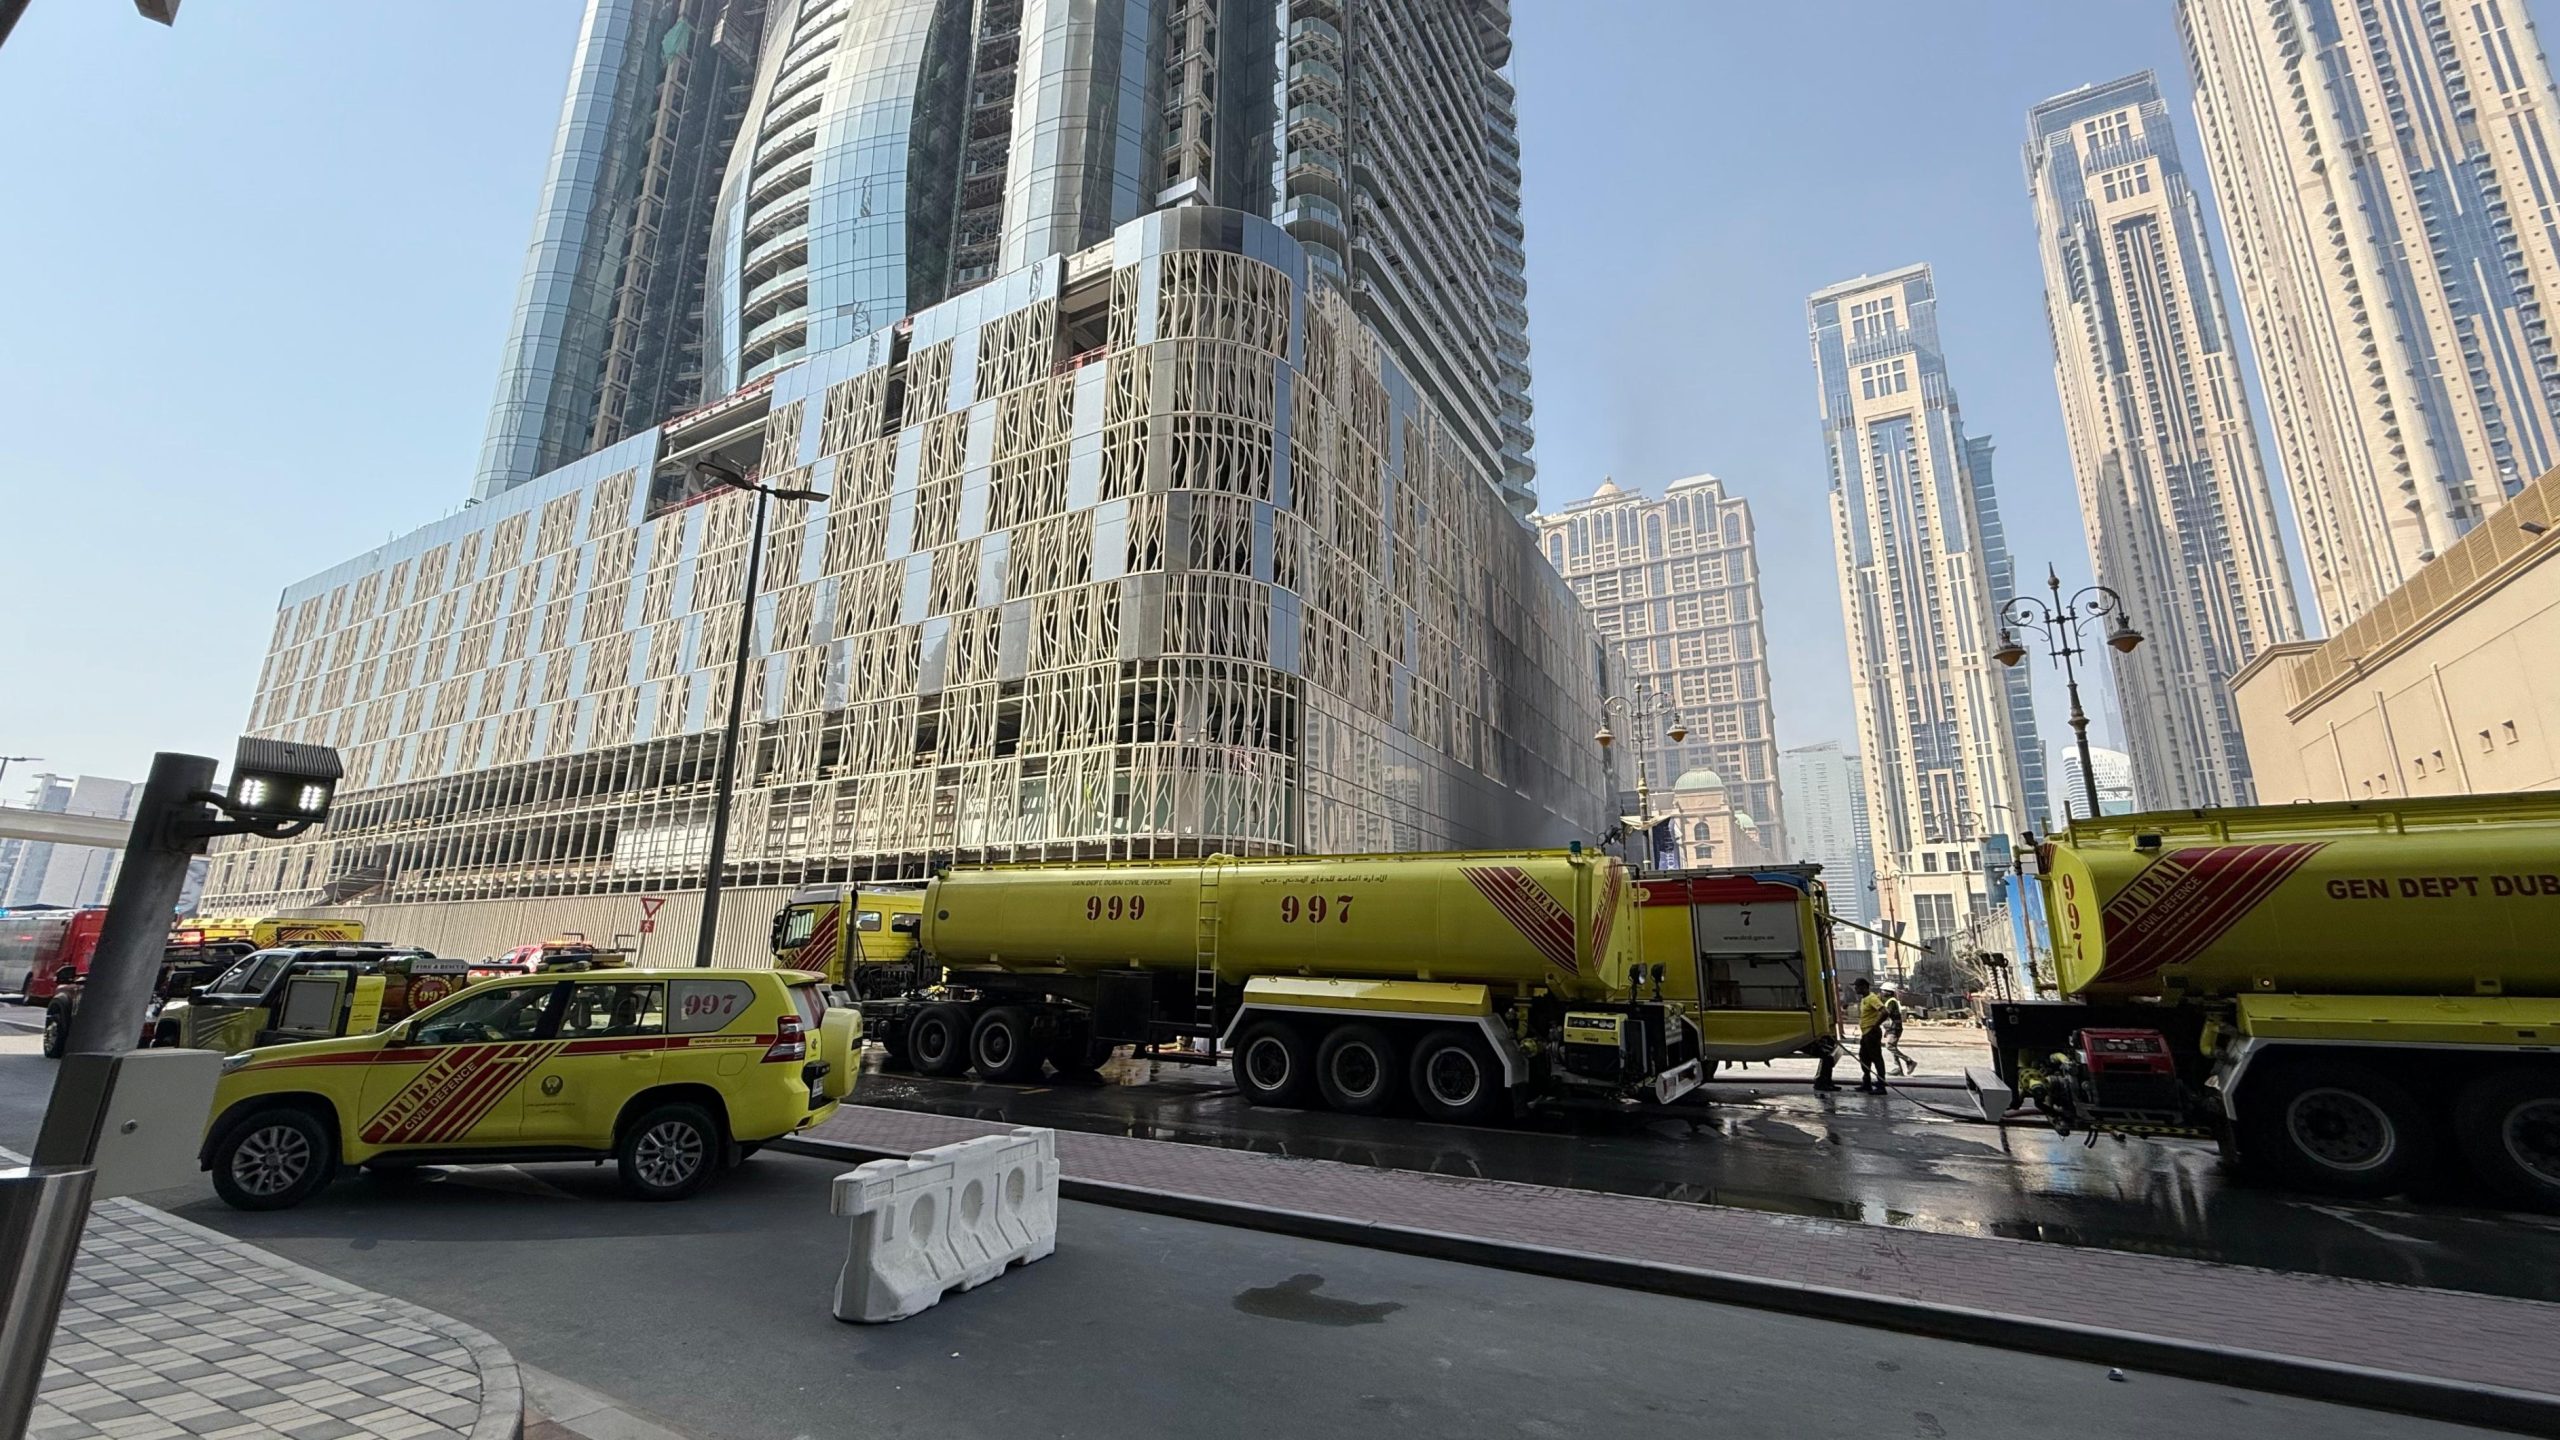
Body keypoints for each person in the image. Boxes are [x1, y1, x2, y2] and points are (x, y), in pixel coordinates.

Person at [1852, 977, 1888, 1094]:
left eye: (1857, 987)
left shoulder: (1872, 998)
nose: (1855, 989)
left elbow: (1885, 1012)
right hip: (1866, 1033)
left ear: (1864, 987)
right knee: (1864, 1057)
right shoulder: (1864, 999)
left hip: (1871, 1033)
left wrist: (1875, 1025)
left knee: (1876, 1058)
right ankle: (1867, 1083)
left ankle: (1881, 1086)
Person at [1880, 984, 1917, 1076]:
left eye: (1883, 991)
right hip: (1892, 1028)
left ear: (1889, 992)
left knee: (1889, 1046)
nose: (1881, 992)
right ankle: (1898, 1069)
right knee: (1893, 1047)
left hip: (1895, 1028)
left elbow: (1887, 1014)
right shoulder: (1889, 1001)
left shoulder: (1891, 1002)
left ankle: (1909, 1061)